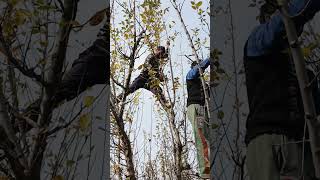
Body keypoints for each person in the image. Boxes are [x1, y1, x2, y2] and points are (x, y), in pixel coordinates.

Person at [243, 0, 320, 179]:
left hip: (301, 146)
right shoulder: (256, 44)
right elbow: (283, 23)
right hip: (268, 141)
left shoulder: (306, 75)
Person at [186, 58, 210, 179]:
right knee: (202, 139)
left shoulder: (204, 84)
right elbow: (198, 69)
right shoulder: (191, 75)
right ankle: (206, 172)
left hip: (204, 110)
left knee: (209, 138)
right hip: (195, 108)